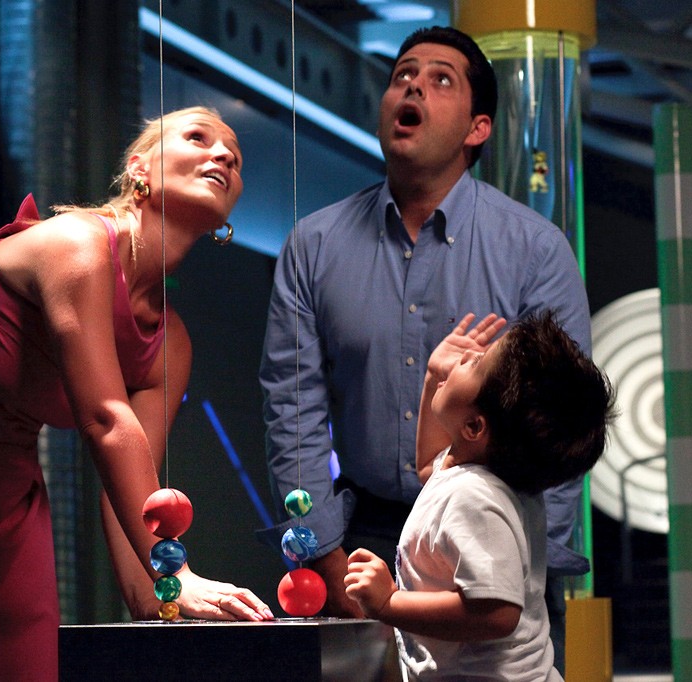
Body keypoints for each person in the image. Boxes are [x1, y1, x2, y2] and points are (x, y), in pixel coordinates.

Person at [0, 106, 273, 682]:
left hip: (6, 496)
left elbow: (135, 490)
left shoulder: (171, 342)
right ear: (140, 170)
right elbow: (106, 420)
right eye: (198, 137)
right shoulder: (77, 245)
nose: (225, 155)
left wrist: (160, 598)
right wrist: (176, 575)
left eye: (235, 155)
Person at [259, 25, 591, 673]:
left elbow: (558, 417)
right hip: (359, 541)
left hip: (495, 531)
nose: (411, 85)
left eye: (441, 79)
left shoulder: (536, 249)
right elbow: (291, 407)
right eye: (402, 74)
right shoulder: (313, 245)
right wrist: (323, 555)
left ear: (478, 128)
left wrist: (530, 559)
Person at [344, 312, 615, 681]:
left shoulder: (476, 499)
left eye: (474, 364)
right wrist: (434, 379)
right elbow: (428, 467)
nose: (464, 356)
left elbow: (496, 613)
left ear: (473, 426)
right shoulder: (482, 474)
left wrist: (390, 603)